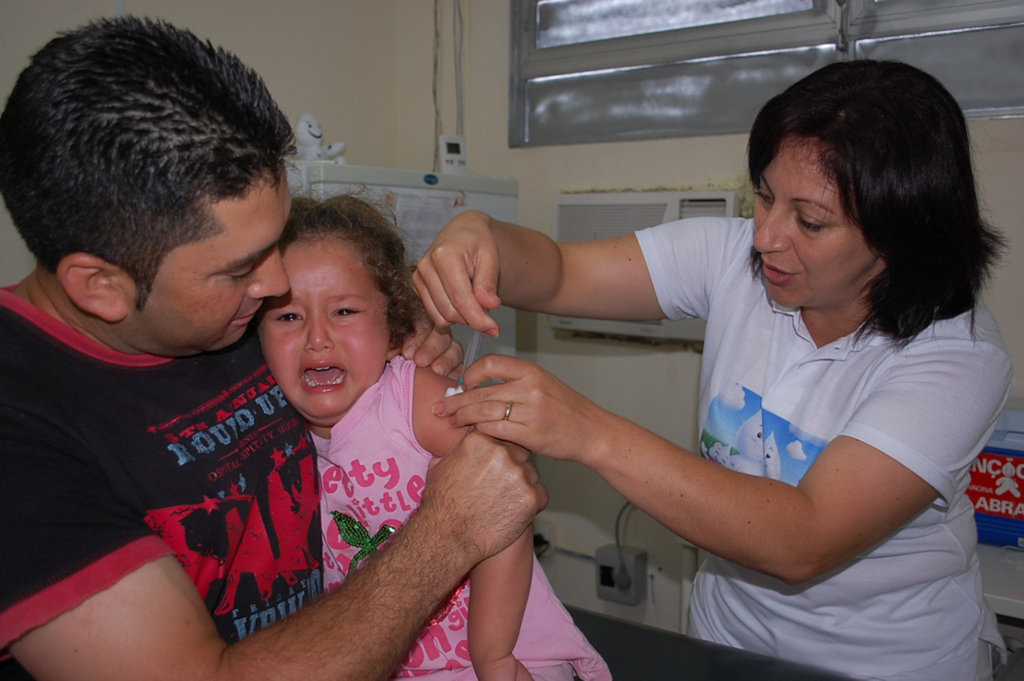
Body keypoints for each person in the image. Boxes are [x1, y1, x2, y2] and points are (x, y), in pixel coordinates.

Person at [414, 60, 1012, 681]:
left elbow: (803, 538)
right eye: (765, 195)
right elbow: (560, 272)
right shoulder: (733, 258)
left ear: (902, 234)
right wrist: (476, 234)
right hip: (725, 643)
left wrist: (588, 431)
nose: (766, 237)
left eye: (810, 222)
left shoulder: (956, 357)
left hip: (888, 664)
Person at [0, 17, 546, 681]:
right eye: (240, 270)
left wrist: (409, 339)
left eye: (275, 244)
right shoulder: (22, 433)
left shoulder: (223, 311)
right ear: (101, 286)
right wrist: (450, 529)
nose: (274, 285)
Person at [257, 194, 610, 681]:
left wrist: (494, 653)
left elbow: (504, 500)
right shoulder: (269, 431)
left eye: (344, 312)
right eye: (289, 317)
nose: (317, 338)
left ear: (395, 322)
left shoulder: (410, 398)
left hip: (500, 657)